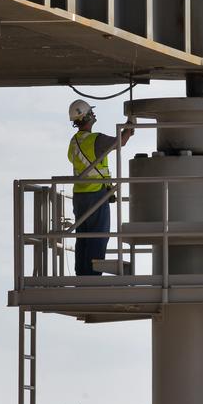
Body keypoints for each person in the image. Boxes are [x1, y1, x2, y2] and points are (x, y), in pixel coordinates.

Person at [67, 99, 134, 276]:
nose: (94, 114)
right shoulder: (96, 140)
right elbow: (122, 142)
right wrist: (129, 127)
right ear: (88, 116)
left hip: (79, 196)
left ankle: (81, 275)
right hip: (96, 195)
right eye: (91, 112)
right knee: (98, 237)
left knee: (83, 237)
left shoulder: (73, 142)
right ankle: (92, 277)